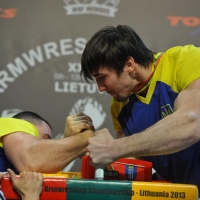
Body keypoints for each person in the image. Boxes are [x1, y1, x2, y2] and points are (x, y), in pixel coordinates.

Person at [80, 25, 200, 189]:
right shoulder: (119, 104)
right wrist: (87, 150)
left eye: (102, 78)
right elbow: (131, 160)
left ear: (129, 64)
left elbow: (193, 122)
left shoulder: (185, 60)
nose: (100, 88)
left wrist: (113, 148)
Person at [0, 111, 95, 173]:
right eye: (45, 139)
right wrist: (87, 137)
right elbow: (33, 160)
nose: (47, 146)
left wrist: (73, 145)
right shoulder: (11, 123)